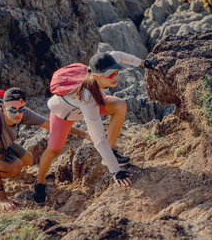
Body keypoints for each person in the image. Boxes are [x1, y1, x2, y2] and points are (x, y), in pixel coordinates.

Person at [33, 51, 157, 203]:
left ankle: (110, 153)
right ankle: (39, 183)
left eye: (116, 72)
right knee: (53, 151)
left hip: (92, 104)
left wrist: (145, 63)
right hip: (64, 115)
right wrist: (116, 172)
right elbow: (98, 139)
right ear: (96, 75)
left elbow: (120, 55)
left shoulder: (106, 62)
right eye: (109, 75)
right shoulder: (87, 97)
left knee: (119, 105)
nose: (114, 77)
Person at [0, 87, 89, 211]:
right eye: (13, 110)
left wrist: (83, 133)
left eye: (21, 109)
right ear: (3, 107)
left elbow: (52, 125)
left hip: (2, 143)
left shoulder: (22, 113)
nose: (17, 114)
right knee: (14, 167)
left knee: (28, 160)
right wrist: (3, 199)